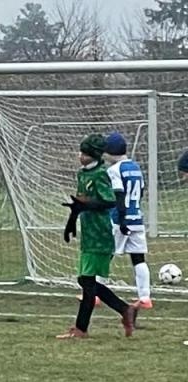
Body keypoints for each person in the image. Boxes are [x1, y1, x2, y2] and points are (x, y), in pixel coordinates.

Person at [57, 133, 137, 340]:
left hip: (100, 232)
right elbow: (80, 201)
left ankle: (81, 329)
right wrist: (71, 221)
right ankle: (125, 309)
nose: (80, 156)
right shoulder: (82, 174)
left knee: (87, 281)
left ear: (94, 155)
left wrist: (86, 206)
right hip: (88, 232)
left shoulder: (102, 174)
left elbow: (109, 201)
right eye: (80, 152)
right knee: (85, 280)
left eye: (85, 153)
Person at [104, 131, 150, 308]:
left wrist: (121, 220)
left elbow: (119, 195)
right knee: (138, 258)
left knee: (105, 254)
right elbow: (141, 192)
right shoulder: (135, 167)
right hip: (137, 217)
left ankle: (95, 293)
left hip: (119, 218)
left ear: (109, 152)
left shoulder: (114, 170)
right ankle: (145, 297)